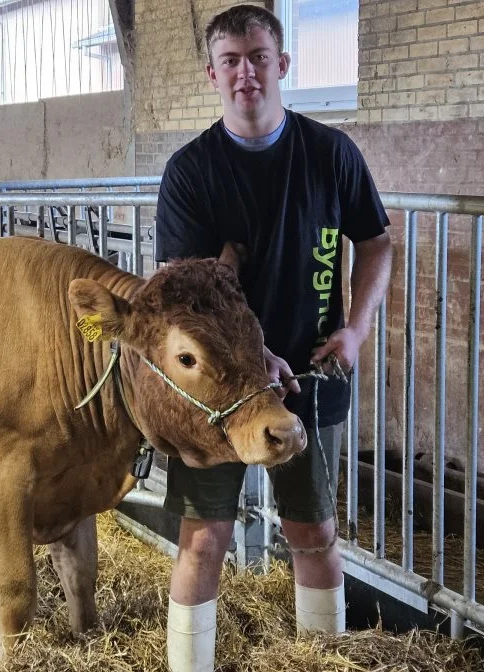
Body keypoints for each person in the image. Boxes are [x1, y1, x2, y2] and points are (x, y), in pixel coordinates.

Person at [153, 5, 394, 671]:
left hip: (313, 376)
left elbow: (376, 242)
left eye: (258, 56)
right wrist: (252, 357)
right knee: (205, 538)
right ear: (212, 74)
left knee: (312, 532)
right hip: (222, 392)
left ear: (281, 64)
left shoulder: (330, 154)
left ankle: (324, 660)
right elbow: (185, 292)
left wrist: (356, 327)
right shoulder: (191, 172)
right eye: (230, 60)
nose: (245, 72)